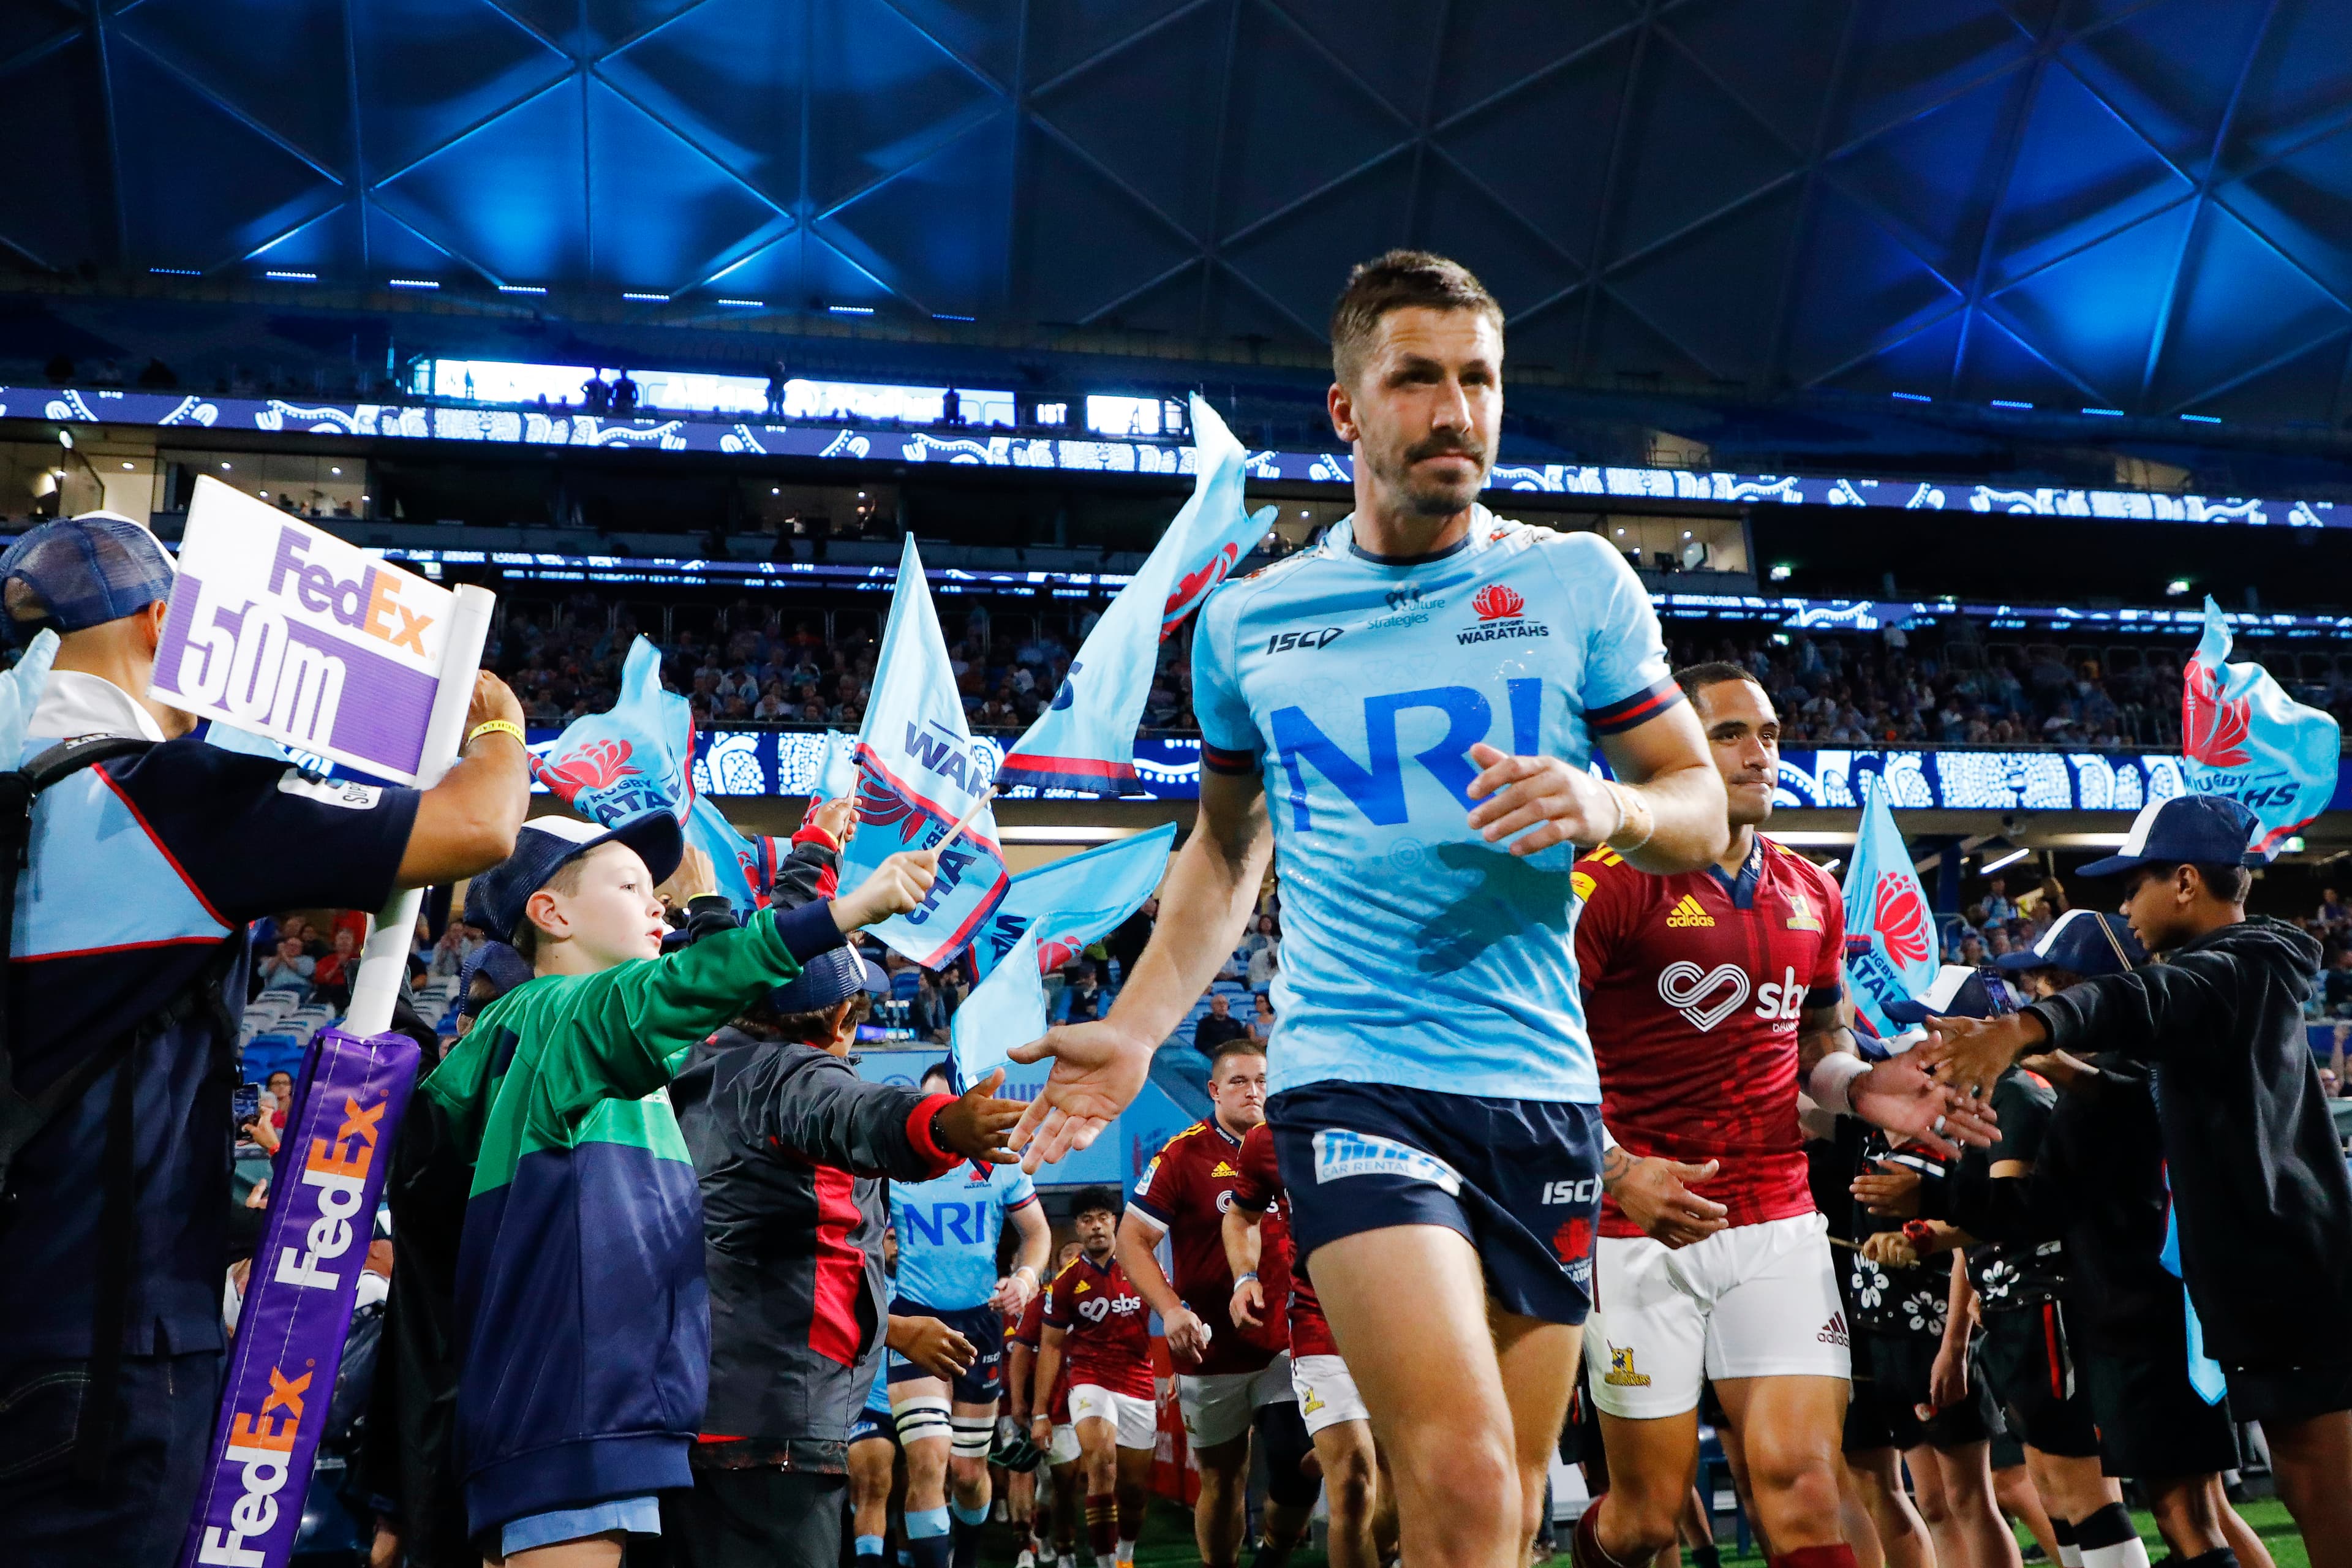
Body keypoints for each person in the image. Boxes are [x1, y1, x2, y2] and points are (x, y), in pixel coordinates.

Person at [1009, 250, 1735, 1568]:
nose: (1456, 410)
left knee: (1514, 1507)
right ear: (1348, 410)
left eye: (1479, 379)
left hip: (1538, 1085)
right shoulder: (1247, 625)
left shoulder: (1578, 583)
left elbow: (1701, 805)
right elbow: (1225, 854)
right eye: (1418, 379)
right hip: (1353, 1081)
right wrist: (1133, 1027)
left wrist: (1608, 803)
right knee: (1459, 1486)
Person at [0, 511, 532, 1568]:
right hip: (109, 1353)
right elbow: (479, 826)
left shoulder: (29, 792)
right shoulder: (157, 798)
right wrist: (498, 726)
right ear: (165, 621)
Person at [420, 810, 938, 1565]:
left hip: (576, 1405)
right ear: (551, 912)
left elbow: (711, 993)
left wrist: (815, 849)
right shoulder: (562, 1013)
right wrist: (846, 914)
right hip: (580, 1410)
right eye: (631, 885)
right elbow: (695, 983)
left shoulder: (544, 1040)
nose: (656, 901)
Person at [1569, 662, 1994, 1568]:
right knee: (1646, 1520)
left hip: (1778, 1222)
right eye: (1729, 734)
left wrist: (1867, 1087)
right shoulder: (1602, 883)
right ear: (1673, 748)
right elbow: (1534, 1055)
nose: (1760, 752)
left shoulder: (1814, 891)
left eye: (1766, 732)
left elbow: (1818, 1045)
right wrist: (1615, 1169)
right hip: (1638, 1227)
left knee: (1805, 1487)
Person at [1923, 794, 2352, 1565]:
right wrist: (2057, 1062)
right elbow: (2143, 1092)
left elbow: (2146, 997)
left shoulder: (2240, 962)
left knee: (2326, 1497)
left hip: (2293, 1276)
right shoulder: (2225, 981)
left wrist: (2028, 1027)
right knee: (2305, 1488)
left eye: (2133, 884)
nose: (2124, 904)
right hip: (2264, 1284)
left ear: (2186, 881)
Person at [1864, 914, 2277, 1568]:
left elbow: (2034, 1206)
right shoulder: (2088, 1076)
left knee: (2182, 1510)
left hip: (2133, 1305)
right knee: (2178, 1509)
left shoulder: (2107, 1073)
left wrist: (1931, 1210)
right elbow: (2050, 1201)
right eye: (2039, 984)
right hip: (2121, 1303)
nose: (2045, 996)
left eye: (2058, 981)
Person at [666, 914, 1025, 1568]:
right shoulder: (796, 1077)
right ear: (838, 1023)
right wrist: (945, 1125)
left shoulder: (705, 1056)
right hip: (775, 1425)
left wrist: (893, 1327)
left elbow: (772, 1259)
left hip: (704, 1403)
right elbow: (864, 1114)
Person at [1122, 1040, 1316, 1568]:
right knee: (1224, 1480)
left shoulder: (1294, 1146)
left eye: (1261, 1080)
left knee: (1300, 1465)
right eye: (1238, 1081)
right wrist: (1171, 1310)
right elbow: (1130, 1241)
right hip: (1211, 1352)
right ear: (1213, 1090)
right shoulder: (1182, 1154)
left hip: (1287, 1341)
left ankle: (1272, 1558)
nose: (1253, 1091)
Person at [889, 1062, 1053, 1568]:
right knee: (927, 1460)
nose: (940, 1119)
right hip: (915, 1320)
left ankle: (969, 1556)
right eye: (929, 1109)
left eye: (949, 1107)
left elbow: (1039, 1234)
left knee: (966, 1471)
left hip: (979, 1325)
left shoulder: (997, 1163)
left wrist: (1024, 1282)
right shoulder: (894, 1165)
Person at [1224, 1118, 1387, 1568]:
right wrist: (1245, 1277)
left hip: (1405, 1321)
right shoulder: (1269, 1136)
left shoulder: (1411, 1102)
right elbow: (1241, 1215)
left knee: (1400, 1502)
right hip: (1319, 1320)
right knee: (1354, 1488)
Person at [1033, 1189, 1158, 1568]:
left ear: (1115, 1222)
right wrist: (1040, 1412)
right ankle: (1104, 1564)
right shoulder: (1067, 1281)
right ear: (1078, 1228)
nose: (1096, 1226)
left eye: (1103, 1217)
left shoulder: (1142, 1267)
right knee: (1102, 1463)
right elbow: (1051, 1347)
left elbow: (1170, 1307)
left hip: (1138, 1382)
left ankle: (1124, 1555)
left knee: (1134, 1492)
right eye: (1087, 1220)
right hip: (1089, 1380)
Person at [1011, 1240, 1087, 1568]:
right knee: (1056, 1482)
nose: (1075, 1260)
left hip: (1091, 1402)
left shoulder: (1105, 1297)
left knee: (1072, 1483)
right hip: (1050, 1408)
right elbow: (1021, 1352)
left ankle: (1067, 1545)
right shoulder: (1044, 1301)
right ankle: (1042, 1545)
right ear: (1057, 1265)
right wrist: (1018, 1401)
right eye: (1068, 1255)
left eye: (1079, 1255)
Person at [257, 931, 317, 997]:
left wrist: (284, 955)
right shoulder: (273, 960)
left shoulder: (307, 959)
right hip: (275, 988)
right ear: (284, 946)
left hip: (298, 987)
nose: (293, 948)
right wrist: (279, 957)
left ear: (302, 949)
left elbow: (306, 972)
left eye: (297, 947)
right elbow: (262, 973)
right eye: (291, 945)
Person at [1191, 990, 1249, 1055]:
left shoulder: (1235, 1023)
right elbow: (1199, 1044)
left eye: (1224, 1003)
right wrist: (1217, 1048)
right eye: (1219, 1003)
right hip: (1214, 1054)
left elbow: (1243, 1041)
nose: (1222, 1006)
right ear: (1212, 1007)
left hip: (1232, 1052)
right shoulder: (1204, 1023)